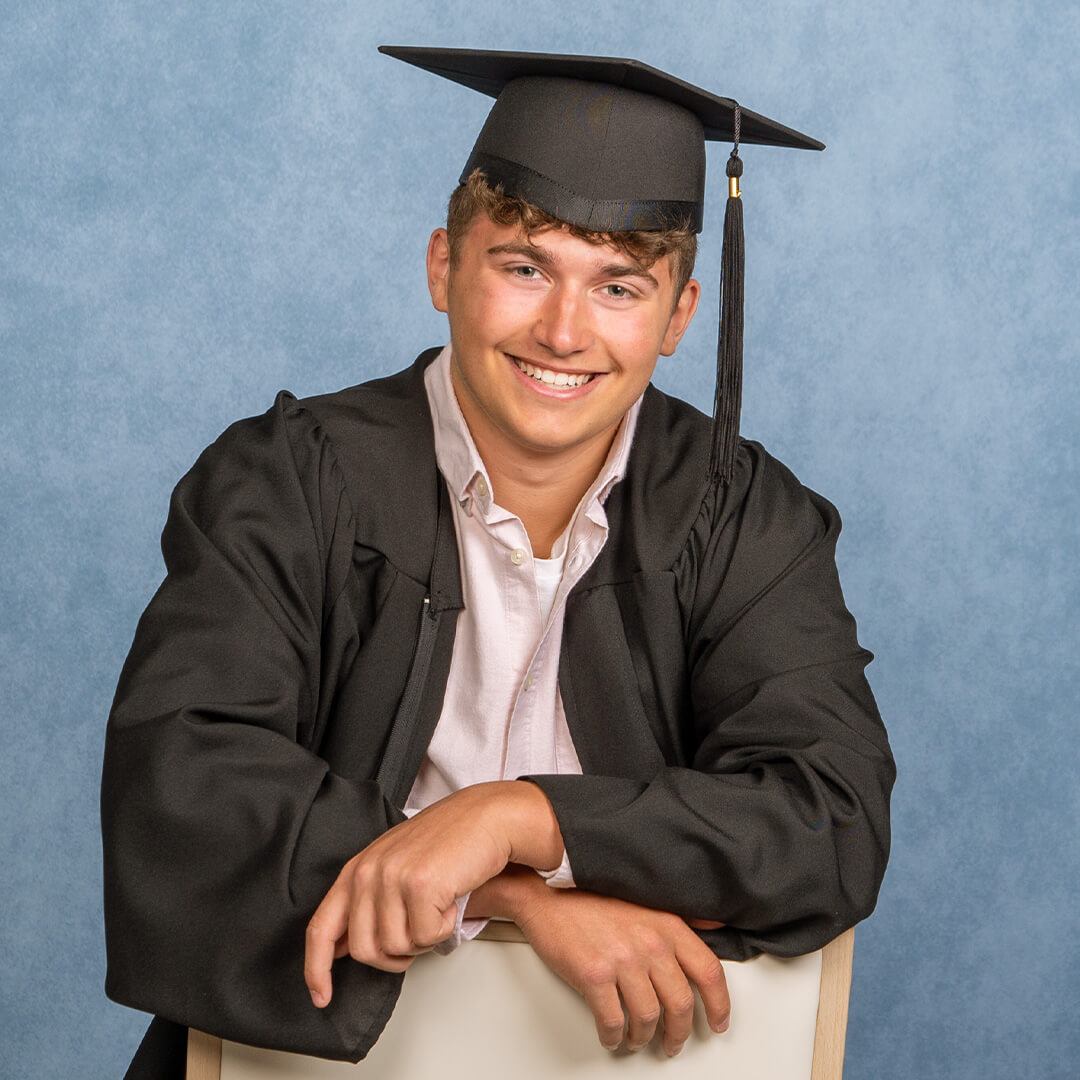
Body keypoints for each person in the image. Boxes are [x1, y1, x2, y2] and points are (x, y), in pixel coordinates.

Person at [101, 47, 895, 1079]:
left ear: (679, 317)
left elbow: (826, 817)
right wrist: (502, 888)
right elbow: (183, 783)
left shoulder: (743, 517)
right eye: (525, 267)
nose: (564, 331)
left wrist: (522, 816)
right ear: (444, 266)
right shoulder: (287, 482)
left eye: (619, 286)